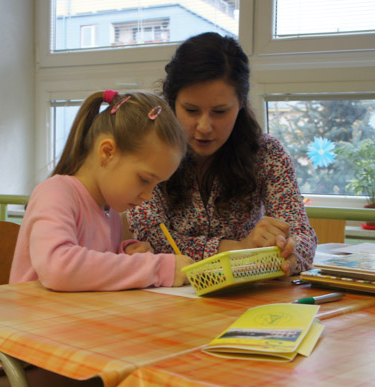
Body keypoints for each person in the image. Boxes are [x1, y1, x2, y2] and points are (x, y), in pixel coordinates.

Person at [0, 90, 194, 387]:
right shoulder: (57, 193)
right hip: (32, 378)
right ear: (107, 152)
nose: (147, 196)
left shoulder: (109, 212)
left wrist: (126, 252)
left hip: (81, 364)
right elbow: (59, 267)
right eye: (145, 180)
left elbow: (91, 269)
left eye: (156, 185)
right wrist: (155, 267)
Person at [126, 32, 317, 277]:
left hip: (248, 290)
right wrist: (239, 249)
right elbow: (151, 239)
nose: (204, 127)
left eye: (220, 112)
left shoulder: (267, 154)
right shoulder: (148, 150)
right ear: (172, 103)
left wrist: (287, 250)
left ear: (240, 104)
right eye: (191, 110)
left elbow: (301, 233)